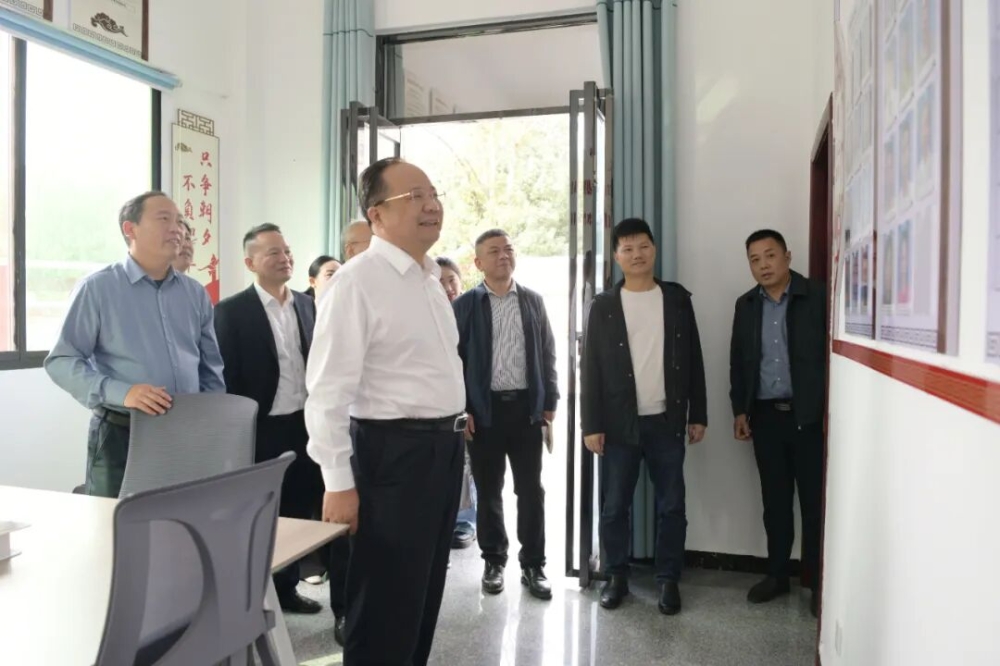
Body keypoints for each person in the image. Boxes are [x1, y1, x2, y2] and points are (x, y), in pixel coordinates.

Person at [305, 157, 465, 666]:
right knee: (385, 606)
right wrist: (337, 481)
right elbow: (327, 391)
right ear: (376, 214)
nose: (431, 204)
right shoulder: (357, 282)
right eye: (414, 196)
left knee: (422, 595)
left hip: (441, 450)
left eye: (433, 193)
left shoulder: (429, 278)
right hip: (392, 455)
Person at [213, 224, 348, 641]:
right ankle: (271, 595)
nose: (284, 258)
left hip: (308, 425)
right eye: (273, 252)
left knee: (318, 512)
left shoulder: (308, 305)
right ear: (250, 262)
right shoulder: (231, 312)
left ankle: (336, 606)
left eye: (287, 250)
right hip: (263, 428)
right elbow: (226, 379)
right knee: (266, 516)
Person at [44, 191, 225, 498]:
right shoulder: (98, 288)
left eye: (179, 221)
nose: (177, 229)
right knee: (116, 522)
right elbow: (61, 361)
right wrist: (122, 392)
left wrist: (211, 421)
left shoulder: (194, 293)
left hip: (186, 433)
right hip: (122, 434)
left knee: (183, 517)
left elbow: (211, 368)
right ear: (131, 229)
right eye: (164, 219)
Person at [581, 218, 707, 616]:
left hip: (667, 421)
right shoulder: (604, 306)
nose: (637, 254)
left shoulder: (676, 299)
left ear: (654, 249)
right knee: (615, 505)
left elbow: (694, 358)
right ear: (617, 257)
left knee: (672, 504)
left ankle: (668, 579)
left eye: (643, 246)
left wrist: (698, 413)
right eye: (628, 249)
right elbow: (591, 368)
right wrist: (591, 425)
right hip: (619, 424)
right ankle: (616, 576)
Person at [452, 229, 559, 600]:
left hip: (526, 410)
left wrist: (550, 401)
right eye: (494, 251)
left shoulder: (532, 301)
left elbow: (547, 353)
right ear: (478, 262)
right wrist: (462, 409)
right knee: (489, 491)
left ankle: (534, 565)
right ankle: (494, 561)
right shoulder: (465, 305)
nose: (503, 256)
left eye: (508, 249)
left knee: (531, 490)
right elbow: (454, 362)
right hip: (484, 413)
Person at [729, 229, 826, 618]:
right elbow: (739, 361)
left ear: (787, 256)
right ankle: (777, 574)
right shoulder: (747, 305)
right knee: (775, 502)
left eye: (770, 255)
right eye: (754, 260)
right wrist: (740, 410)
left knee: (814, 503)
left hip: (808, 417)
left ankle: (816, 582)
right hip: (766, 418)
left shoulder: (816, 297)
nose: (763, 265)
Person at [437, 256, 477, 549]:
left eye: (451, 280)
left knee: (467, 465)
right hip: (438, 404)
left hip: (469, 403)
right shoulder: (427, 315)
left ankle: (465, 521)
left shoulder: (472, 311)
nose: (448, 287)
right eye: (440, 282)